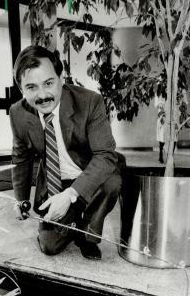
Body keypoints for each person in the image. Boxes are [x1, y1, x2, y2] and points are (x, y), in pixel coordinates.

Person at [10, 45, 125, 261]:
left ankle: (88, 235)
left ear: (61, 78)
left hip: (91, 175)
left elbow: (105, 156)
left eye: (49, 83)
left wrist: (72, 195)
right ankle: (75, 222)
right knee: (49, 246)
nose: (43, 95)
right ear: (21, 89)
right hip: (54, 182)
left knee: (112, 183)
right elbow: (21, 158)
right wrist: (20, 200)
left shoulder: (90, 101)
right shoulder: (17, 113)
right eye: (31, 87)